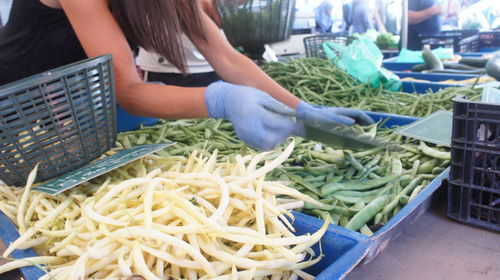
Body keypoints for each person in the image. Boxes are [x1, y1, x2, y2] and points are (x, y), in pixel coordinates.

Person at [0, 0, 373, 151]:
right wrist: (221, 99)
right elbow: (127, 88)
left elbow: (226, 57)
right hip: (15, 106)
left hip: (68, 101)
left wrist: (300, 107)